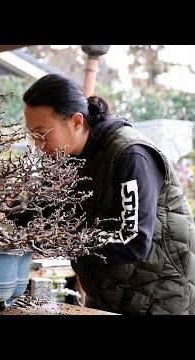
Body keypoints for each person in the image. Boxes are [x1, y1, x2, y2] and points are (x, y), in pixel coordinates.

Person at [22, 73, 195, 315]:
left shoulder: (130, 155)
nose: (37, 144)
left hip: (161, 299)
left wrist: (64, 240)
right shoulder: (65, 159)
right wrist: (1, 210)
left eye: (42, 133)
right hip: (109, 298)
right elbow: (38, 214)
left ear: (76, 121)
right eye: (32, 134)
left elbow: (133, 240)